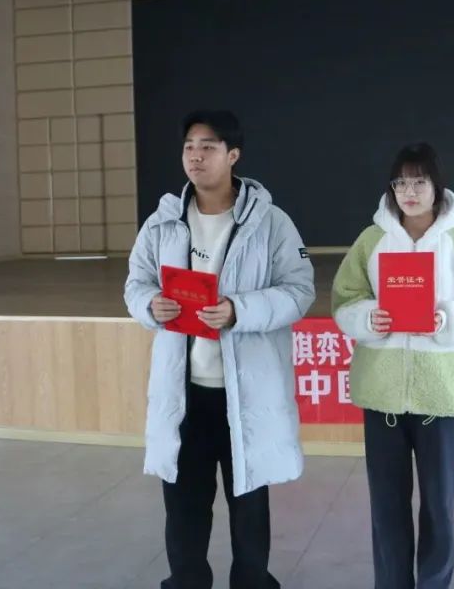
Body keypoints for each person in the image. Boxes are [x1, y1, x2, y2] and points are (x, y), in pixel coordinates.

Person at [124, 109, 315, 589]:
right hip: (185, 393)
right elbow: (135, 283)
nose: (196, 156)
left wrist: (239, 310)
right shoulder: (163, 222)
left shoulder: (270, 222)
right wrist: (150, 305)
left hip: (243, 394)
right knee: (183, 510)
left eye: (208, 146)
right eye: (189, 146)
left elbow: (299, 291)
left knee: (248, 508)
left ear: (233, 155)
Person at [331, 142, 454, 589]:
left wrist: (447, 320)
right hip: (383, 397)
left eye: (419, 182)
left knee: (439, 508)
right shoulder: (371, 241)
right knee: (386, 508)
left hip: (441, 399)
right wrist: (367, 318)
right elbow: (344, 298)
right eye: (401, 183)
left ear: (436, 187)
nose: (409, 192)